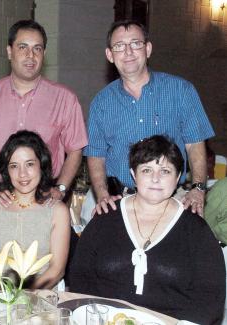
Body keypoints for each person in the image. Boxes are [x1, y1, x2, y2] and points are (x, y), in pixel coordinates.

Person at [0, 19, 87, 287]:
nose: (30, 55)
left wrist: (60, 188)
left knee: (42, 276)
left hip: (43, 200)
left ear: (44, 54)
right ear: (9, 51)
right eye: (23, 47)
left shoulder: (64, 98)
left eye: (37, 49)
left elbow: (75, 150)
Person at [69, 135, 225, 324]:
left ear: (177, 178)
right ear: (134, 175)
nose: (155, 179)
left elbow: (210, 298)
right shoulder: (105, 219)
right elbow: (80, 277)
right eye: (146, 170)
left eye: (165, 171)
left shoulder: (195, 230)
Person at [85, 19, 214, 217]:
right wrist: (102, 195)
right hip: (121, 202)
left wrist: (198, 189)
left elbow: (195, 144)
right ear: (110, 55)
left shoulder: (181, 91)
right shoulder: (101, 103)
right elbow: (96, 155)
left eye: (135, 44)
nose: (128, 52)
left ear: (148, 49)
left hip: (174, 201)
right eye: (119, 46)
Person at [0, 131, 70, 289]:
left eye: (30, 164)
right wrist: (4, 298)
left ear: (42, 165)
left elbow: (56, 270)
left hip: (42, 294)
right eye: (14, 166)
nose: (22, 174)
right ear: (7, 170)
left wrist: (23, 298)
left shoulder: (57, 211)